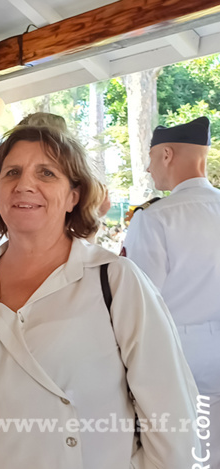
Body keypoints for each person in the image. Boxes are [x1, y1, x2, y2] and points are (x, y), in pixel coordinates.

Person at [0, 124, 200, 468]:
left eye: (46, 172)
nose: (25, 184)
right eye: (12, 172)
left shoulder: (115, 281)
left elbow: (171, 416)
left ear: (74, 195)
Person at [122, 116, 220, 468]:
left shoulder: (155, 218)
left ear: (166, 154)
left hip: (177, 357)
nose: (149, 170)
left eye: (150, 159)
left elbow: (139, 302)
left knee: (180, 455)